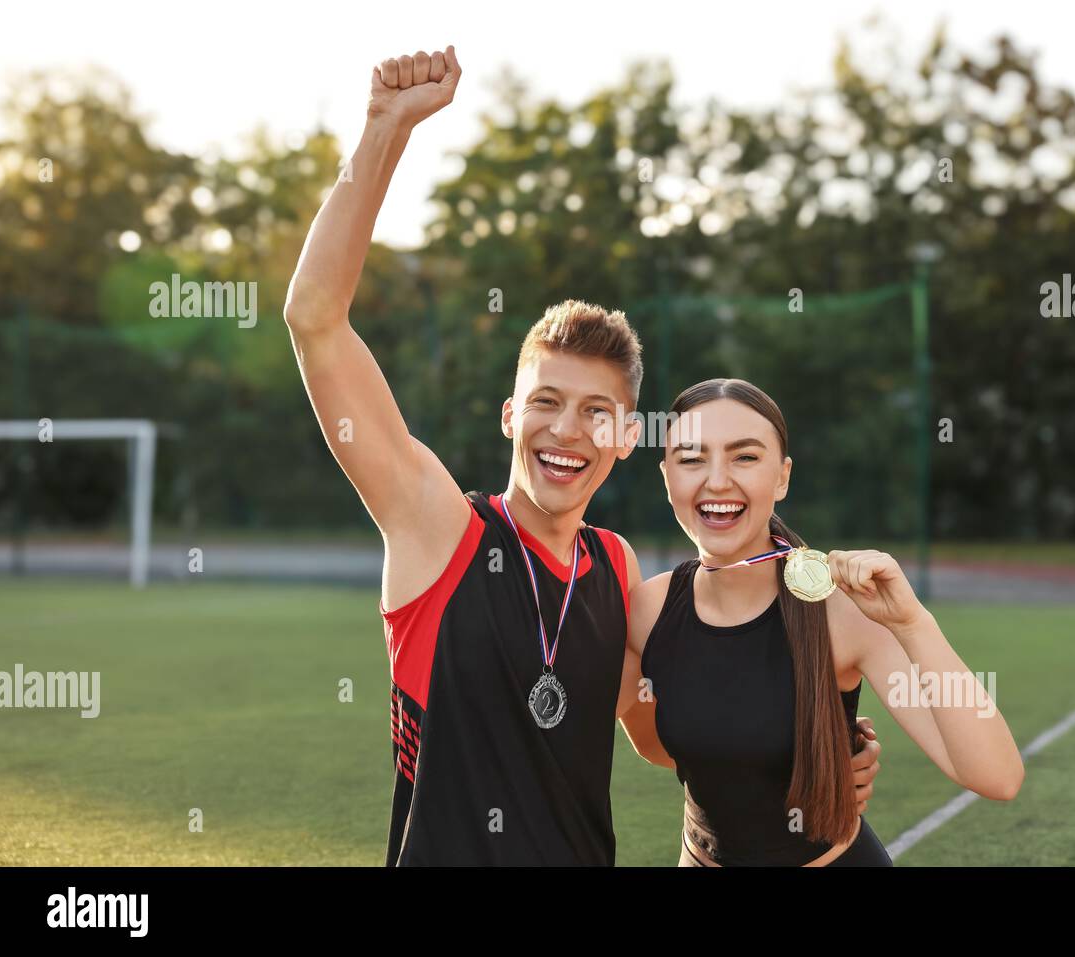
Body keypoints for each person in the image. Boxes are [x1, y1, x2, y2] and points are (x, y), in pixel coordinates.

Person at [282, 47, 883, 865]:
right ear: (509, 416)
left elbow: (663, 735)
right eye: (546, 403)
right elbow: (316, 318)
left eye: (597, 412)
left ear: (626, 439)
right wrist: (385, 129)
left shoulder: (616, 569)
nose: (568, 431)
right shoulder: (437, 526)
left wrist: (817, 739)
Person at [622, 378, 1026, 866]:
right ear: (668, 478)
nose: (717, 480)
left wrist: (913, 623)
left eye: (745, 457)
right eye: (691, 459)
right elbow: (663, 749)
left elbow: (996, 775)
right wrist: (808, 751)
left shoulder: (842, 611)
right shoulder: (648, 610)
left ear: (782, 477)